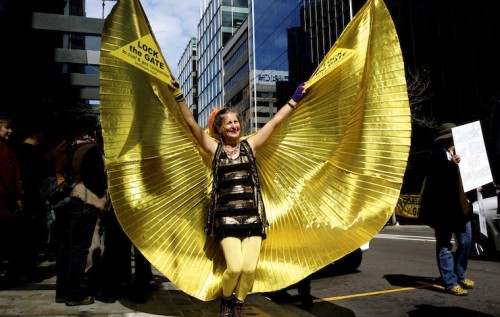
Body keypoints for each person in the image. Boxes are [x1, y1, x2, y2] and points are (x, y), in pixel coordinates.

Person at [172, 81, 307, 317]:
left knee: (248, 267)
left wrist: (294, 100)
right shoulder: (215, 150)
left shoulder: (250, 146)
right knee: (234, 268)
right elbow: (192, 125)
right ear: (220, 129)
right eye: (229, 123)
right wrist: (178, 96)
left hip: (253, 216)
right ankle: (226, 301)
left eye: (236, 122)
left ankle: (238, 305)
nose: (234, 126)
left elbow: (275, 122)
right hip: (226, 219)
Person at [54, 117, 108, 306]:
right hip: (86, 200)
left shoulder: (68, 147)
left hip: (70, 198)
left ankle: (62, 292)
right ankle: (75, 294)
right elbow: (96, 181)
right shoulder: (90, 149)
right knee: (79, 249)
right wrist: (102, 197)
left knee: (66, 248)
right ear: (91, 132)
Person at [419, 122, 474, 296]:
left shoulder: (459, 154)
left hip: (461, 208)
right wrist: (452, 164)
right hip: (443, 211)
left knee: (466, 242)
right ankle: (450, 281)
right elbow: (436, 177)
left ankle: (459, 274)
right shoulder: (436, 155)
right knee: (444, 246)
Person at [0, 116, 26, 284]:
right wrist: (16, 196)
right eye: (6, 127)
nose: (10, 131)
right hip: (3, 202)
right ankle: (12, 274)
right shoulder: (2, 148)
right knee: (9, 239)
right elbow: (7, 175)